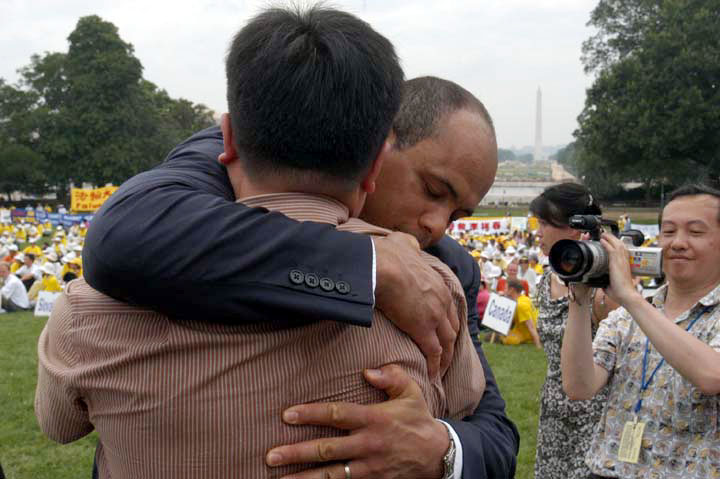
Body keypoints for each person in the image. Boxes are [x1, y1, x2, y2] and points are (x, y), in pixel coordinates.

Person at [36, 7, 501, 479]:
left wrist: (443, 449)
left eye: (458, 215)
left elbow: (58, 426)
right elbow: (466, 399)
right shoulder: (435, 291)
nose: (437, 227)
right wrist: (366, 266)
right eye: (433, 190)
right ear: (377, 159)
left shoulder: (85, 311)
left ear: (229, 138)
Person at [562, 184, 720, 478]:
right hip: (608, 470)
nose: (678, 243)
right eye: (669, 232)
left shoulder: (635, 307)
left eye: (696, 232)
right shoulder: (628, 316)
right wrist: (579, 299)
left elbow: (712, 375)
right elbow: (579, 386)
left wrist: (630, 297)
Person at [529, 182, 618, 479]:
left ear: (573, 228)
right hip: (554, 410)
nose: (538, 232)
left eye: (544, 224)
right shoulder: (547, 280)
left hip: (594, 413)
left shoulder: (603, 292)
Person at [501, 279, 541, 348]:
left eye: (505, 288)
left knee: (509, 340)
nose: (503, 290)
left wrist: (538, 345)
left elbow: (531, 326)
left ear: (511, 290)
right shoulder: (523, 298)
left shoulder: (521, 305)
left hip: (526, 333)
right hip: (521, 329)